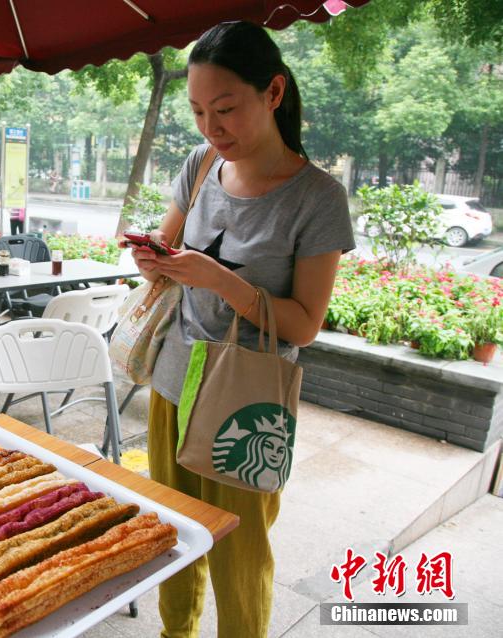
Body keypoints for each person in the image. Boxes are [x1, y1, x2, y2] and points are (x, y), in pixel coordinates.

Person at [123, 21, 355, 638]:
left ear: (273, 92)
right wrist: (153, 258)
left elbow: (304, 325)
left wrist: (221, 281)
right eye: (198, 111)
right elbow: (167, 247)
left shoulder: (316, 198)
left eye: (225, 109)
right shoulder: (200, 165)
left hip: (246, 411)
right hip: (174, 382)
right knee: (173, 531)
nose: (211, 128)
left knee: (240, 554)